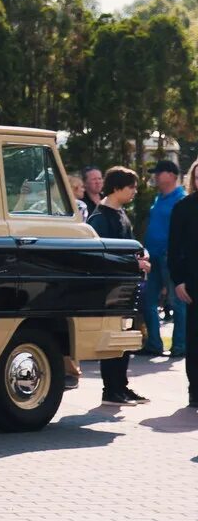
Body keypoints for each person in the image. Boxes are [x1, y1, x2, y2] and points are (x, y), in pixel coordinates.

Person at [86, 166, 148, 406]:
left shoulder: (121, 213)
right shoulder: (100, 218)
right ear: (116, 188)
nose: (134, 191)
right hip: (110, 289)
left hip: (127, 286)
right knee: (113, 339)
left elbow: (131, 245)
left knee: (126, 338)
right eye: (131, 187)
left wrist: (142, 256)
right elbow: (101, 255)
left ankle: (121, 386)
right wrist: (135, 263)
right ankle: (110, 390)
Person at [141, 159, 187, 359]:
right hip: (153, 256)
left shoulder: (181, 198)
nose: (156, 176)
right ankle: (154, 344)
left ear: (171, 175)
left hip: (170, 255)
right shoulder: (159, 198)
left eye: (159, 172)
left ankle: (180, 346)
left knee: (177, 302)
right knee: (147, 300)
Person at [166, 160, 198, 408]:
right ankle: (195, 391)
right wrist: (178, 281)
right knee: (195, 338)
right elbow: (174, 248)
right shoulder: (183, 208)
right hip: (192, 281)